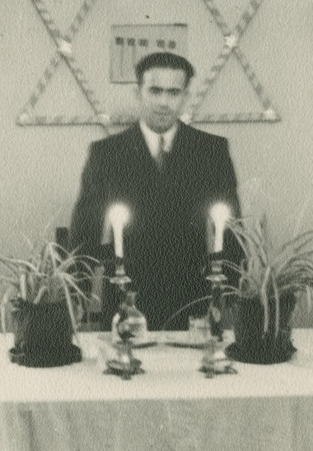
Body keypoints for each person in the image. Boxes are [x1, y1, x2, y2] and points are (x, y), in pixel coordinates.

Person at [69, 52, 241, 331]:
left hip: (193, 303)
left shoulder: (212, 152)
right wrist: (75, 295)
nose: (164, 102)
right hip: (126, 303)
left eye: (174, 92)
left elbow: (232, 231)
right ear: (138, 93)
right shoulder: (106, 154)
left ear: (186, 95)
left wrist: (233, 296)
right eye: (155, 90)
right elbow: (85, 232)